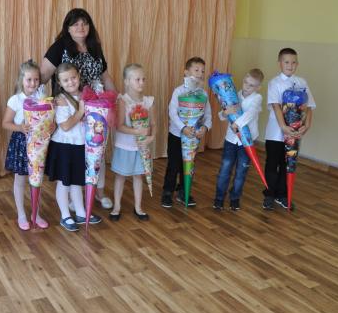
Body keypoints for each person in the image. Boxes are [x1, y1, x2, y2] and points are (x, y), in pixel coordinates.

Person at [41, 8, 115, 209]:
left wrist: (116, 99)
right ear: (67, 28)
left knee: (97, 151)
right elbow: (43, 76)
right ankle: (73, 198)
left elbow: (105, 76)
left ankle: (98, 192)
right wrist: (40, 104)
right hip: (69, 106)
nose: (80, 27)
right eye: (75, 24)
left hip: (95, 109)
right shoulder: (59, 47)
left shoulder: (94, 47)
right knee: (74, 154)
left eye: (84, 23)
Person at [45, 63, 102, 232]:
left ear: (79, 76)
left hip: (80, 144)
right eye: (66, 80)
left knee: (77, 181)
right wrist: (81, 111)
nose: (70, 82)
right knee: (64, 182)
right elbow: (65, 126)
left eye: (73, 78)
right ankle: (65, 215)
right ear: (60, 83)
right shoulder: (61, 99)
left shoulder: (85, 95)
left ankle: (81, 212)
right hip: (63, 146)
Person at [263, 48, 315, 210]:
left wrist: (307, 125)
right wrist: (283, 127)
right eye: (286, 62)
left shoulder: (302, 82)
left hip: (294, 133)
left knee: (288, 164)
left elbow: (309, 106)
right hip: (275, 133)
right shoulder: (274, 83)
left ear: (297, 64)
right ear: (279, 63)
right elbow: (276, 107)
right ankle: (269, 195)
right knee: (272, 164)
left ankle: (283, 195)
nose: (290, 65)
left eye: (293, 62)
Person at [2, 60, 49, 231]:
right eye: (29, 79)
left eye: (36, 80)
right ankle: (21, 214)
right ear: (21, 80)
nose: (33, 83)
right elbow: (5, 123)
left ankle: (36, 213)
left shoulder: (42, 99)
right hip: (21, 144)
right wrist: (20, 127)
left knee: (36, 180)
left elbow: (48, 120)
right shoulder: (15, 100)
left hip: (39, 145)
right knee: (20, 180)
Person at [161, 57, 212, 208]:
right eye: (196, 70)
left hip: (192, 138)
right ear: (186, 72)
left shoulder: (203, 94)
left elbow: (208, 115)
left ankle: (184, 191)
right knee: (174, 165)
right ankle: (167, 192)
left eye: (202, 71)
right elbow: (172, 112)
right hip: (177, 135)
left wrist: (205, 128)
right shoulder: (178, 91)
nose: (200, 74)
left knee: (189, 165)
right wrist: (183, 128)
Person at [213, 69, 264, 211]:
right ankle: (219, 198)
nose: (247, 86)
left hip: (246, 142)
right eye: (246, 82)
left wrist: (237, 124)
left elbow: (250, 113)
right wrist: (226, 112)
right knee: (225, 170)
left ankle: (234, 198)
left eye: (251, 85)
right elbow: (221, 116)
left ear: (258, 87)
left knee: (241, 172)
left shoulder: (257, 98)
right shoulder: (234, 94)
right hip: (231, 140)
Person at [109, 63, 155, 222]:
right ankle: (116, 206)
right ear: (127, 81)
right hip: (125, 146)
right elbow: (119, 126)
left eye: (143, 79)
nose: (141, 82)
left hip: (142, 147)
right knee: (120, 176)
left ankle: (138, 207)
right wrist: (137, 131)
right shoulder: (123, 101)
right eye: (137, 79)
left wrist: (151, 137)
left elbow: (153, 124)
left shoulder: (148, 101)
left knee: (138, 176)